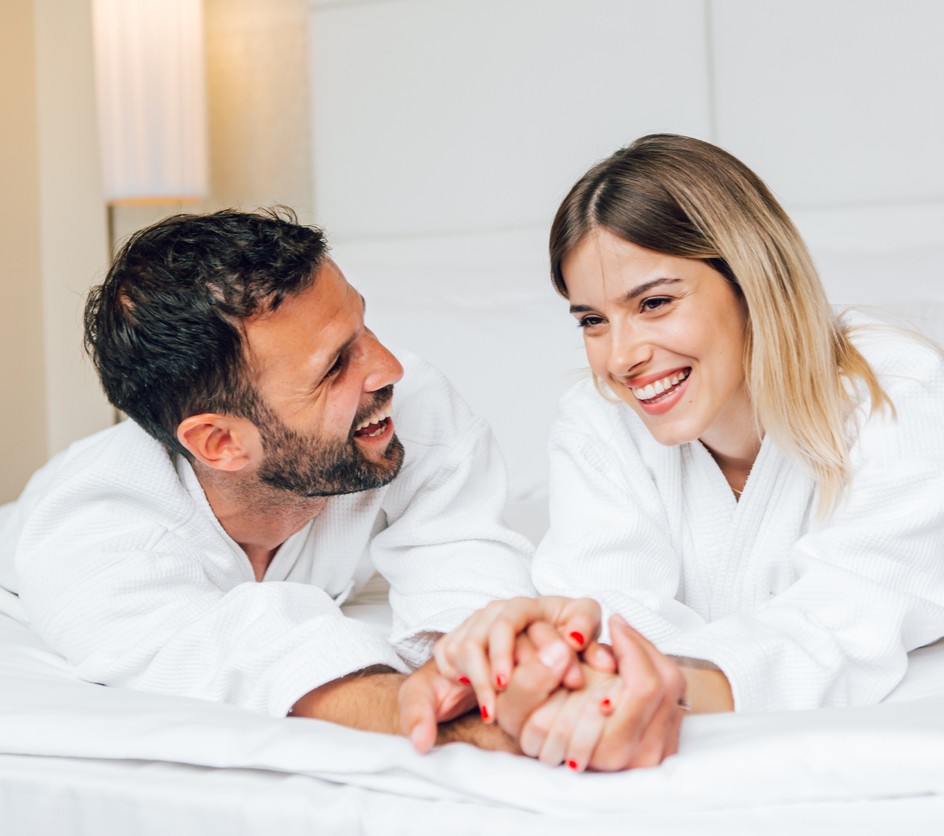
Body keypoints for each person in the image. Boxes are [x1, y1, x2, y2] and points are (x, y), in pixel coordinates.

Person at [431, 134, 944, 770]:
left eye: (655, 303)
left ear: (752, 279)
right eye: (592, 320)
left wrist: (677, 685)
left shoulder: (905, 392)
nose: (620, 359)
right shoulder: (598, 424)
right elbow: (609, 602)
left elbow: (855, 613)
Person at [0, 208, 601, 754]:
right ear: (222, 443)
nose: (388, 367)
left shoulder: (405, 405)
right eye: (335, 365)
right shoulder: (94, 543)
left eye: (363, 326)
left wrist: (494, 664)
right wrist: (456, 721)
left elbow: (460, 550)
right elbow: (248, 652)